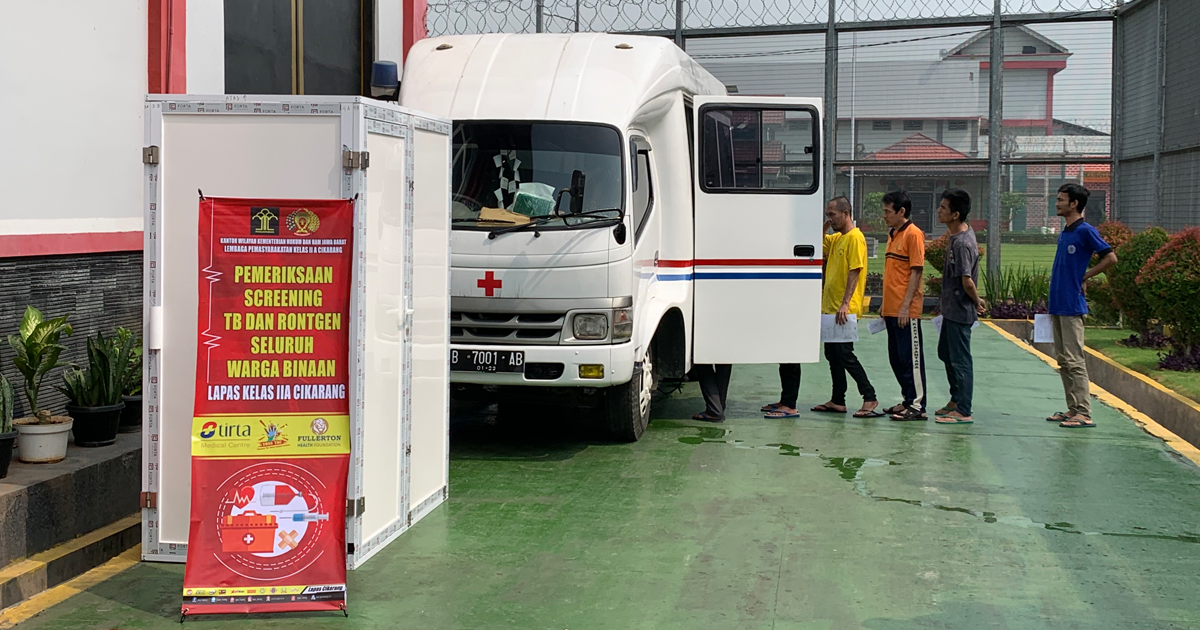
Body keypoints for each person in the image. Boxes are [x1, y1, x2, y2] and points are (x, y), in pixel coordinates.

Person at [765, 197, 879, 419]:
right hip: (830, 308)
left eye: (833, 215)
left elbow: (855, 270)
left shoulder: (855, 238)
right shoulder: (837, 238)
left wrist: (846, 302)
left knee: (845, 355)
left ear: (846, 213)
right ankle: (838, 400)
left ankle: (869, 396)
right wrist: (826, 225)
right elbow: (817, 241)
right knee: (833, 355)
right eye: (828, 215)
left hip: (844, 308)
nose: (830, 218)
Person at [1047, 183, 1117, 429]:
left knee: (1075, 360)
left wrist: (1085, 276)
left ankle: (1084, 412)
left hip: (1072, 306)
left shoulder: (1086, 231)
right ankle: (1072, 409)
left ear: (1074, 204)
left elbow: (1110, 257)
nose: (1057, 203)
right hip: (1057, 304)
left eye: (1061, 199)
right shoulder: (1066, 231)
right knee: (1063, 360)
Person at [934, 189, 985, 425]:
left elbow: (967, 280)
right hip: (951, 309)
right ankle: (955, 399)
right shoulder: (955, 237)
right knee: (945, 353)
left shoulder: (963, 243)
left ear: (955, 214)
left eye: (943, 207)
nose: (939, 210)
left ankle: (964, 409)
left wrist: (977, 301)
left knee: (960, 359)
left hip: (960, 310)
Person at [879, 191, 928, 421]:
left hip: (906, 310)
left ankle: (917, 406)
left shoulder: (913, 234)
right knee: (895, 358)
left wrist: (905, 306)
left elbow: (916, 271)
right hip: (891, 308)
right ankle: (907, 399)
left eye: (888, 211)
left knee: (911, 358)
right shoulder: (892, 234)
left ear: (902, 212)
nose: (884, 216)